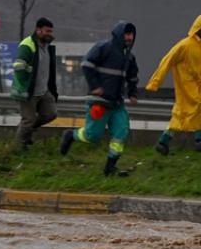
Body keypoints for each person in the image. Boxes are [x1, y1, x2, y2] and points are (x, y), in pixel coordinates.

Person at [145, 13, 201, 154]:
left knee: (181, 114)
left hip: (196, 86)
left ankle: (163, 142)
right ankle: (199, 140)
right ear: (197, 29)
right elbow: (167, 61)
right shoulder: (185, 45)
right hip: (185, 86)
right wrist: (155, 82)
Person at [60, 21, 139, 176]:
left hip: (117, 104)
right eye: (127, 34)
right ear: (119, 34)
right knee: (92, 136)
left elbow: (133, 78)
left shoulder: (129, 57)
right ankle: (71, 135)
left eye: (131, 35)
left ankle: (110, 167)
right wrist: (95, 86)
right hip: (99, 101)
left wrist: (133, 94)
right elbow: (87, 64)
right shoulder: (104, 47)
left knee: (121, 133)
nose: (129, 37)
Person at [10, 17, 58, 150]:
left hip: (43, 90)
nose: (50, 34)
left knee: (51, 114)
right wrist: (26, 84)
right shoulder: (27, 45)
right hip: (28, 90)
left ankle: (28, 132)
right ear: (38, 30)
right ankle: (19, 147)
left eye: (51, 31)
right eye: (47, 31)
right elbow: (19, 66)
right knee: (28, 120)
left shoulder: (47, 46)